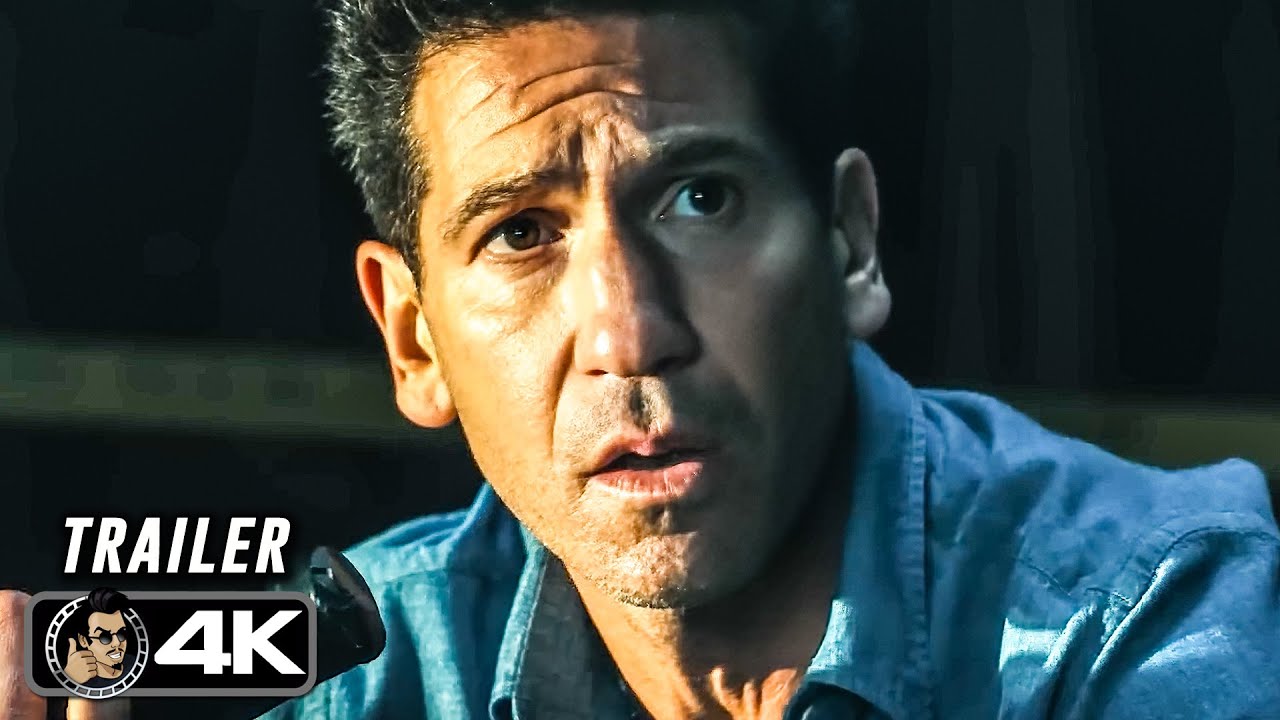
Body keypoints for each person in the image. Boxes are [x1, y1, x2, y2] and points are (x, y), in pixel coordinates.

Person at [1, 1, 1276, 718]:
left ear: (847, 242)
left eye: (699, 200)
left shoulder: (1151, 616)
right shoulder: (372, 663)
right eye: (519, 234)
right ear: (412, 337)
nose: (627, 333)